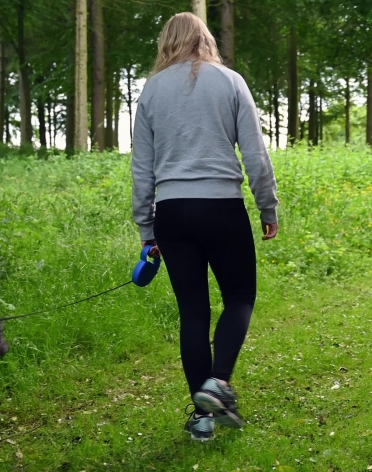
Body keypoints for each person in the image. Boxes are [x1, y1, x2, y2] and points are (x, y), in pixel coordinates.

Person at [131, 12, 278, 442]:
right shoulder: (230, 81)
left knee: (192, 312)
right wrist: (268, 207)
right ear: (205, 39)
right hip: (221, 207)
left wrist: (146, 226)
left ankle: (202, 418)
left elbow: (141, 166)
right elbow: (255, 154)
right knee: (239, 298)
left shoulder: (152, 91)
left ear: (167, 43)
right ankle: (218, 383)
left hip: (172, 212)